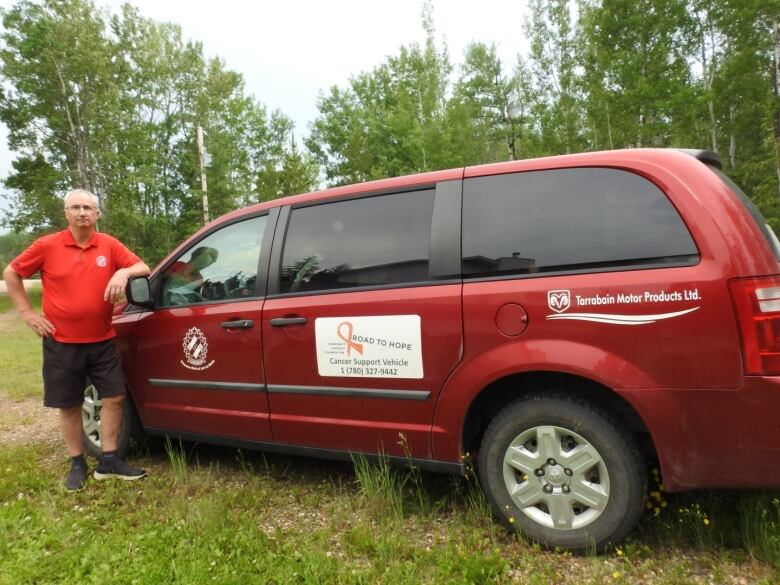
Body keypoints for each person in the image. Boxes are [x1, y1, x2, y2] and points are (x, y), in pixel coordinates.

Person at [3, 189, 151, 491]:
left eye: (88, 207)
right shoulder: (47, 245)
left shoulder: (108, 245)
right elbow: (12, 272)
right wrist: (28, 313)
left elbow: (143, 267)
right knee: (69, 404)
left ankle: (109, 461)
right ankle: (77, 462)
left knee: (114, 397)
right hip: (61, 342)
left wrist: (121, 273)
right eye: (76, 207)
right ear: (66, 213)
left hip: (102, 339)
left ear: (97, 213)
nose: (82, 212)